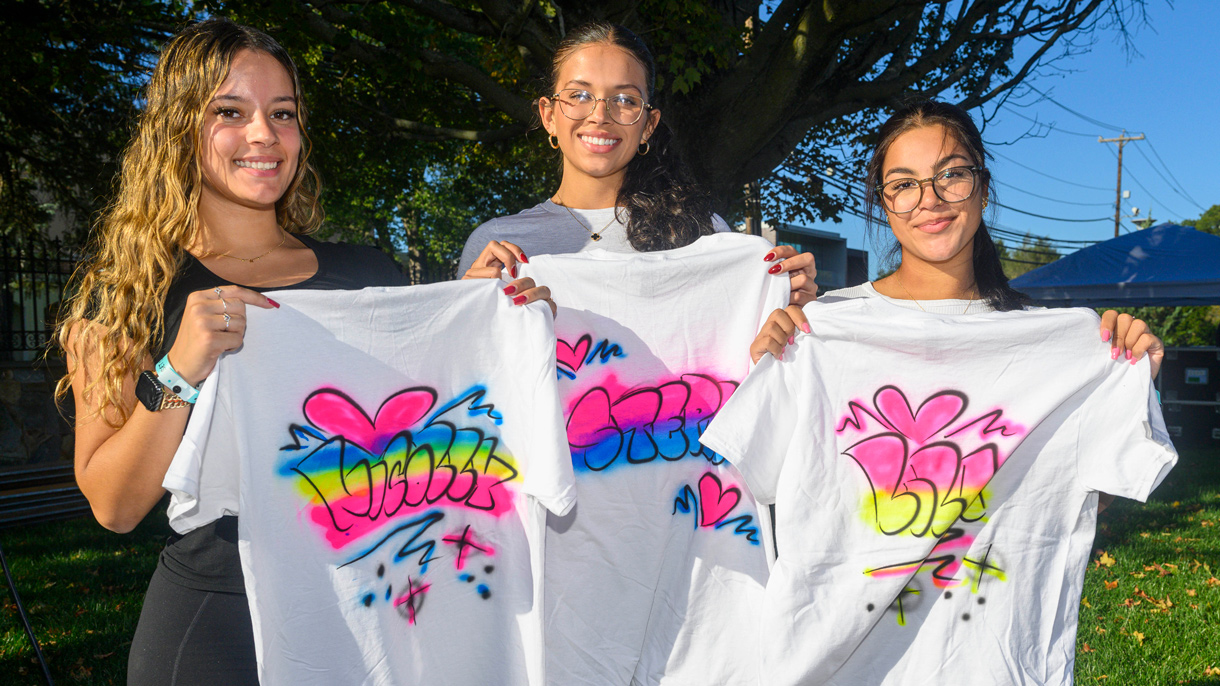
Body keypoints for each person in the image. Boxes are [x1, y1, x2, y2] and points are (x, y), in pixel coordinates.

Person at [54, 18, 546, 685]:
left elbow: (415, 412)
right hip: (215, 630)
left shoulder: (365, 270)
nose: (264, 135)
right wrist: (181, 367)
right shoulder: (129, 291)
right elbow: (115, 506)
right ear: (179, 130)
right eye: (230, 112)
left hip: (366, 619)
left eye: (281, 114)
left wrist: (465, 311)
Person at [750, 99, 1163, 372]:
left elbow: (1070, 499)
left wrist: (1128, 373)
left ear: (982, 189)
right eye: (903, 184)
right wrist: (761, 366)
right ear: (883, 206)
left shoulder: (1047, 340)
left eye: (951, 175)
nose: (929, 199)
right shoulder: (819, 328)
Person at [457, 22, 818, 305]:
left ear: (648, 125)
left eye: (625, 99)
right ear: (549, 115)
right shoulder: (494, 249)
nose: (600, 115)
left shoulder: (701, 231)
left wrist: (787, 306)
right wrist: (462, 312)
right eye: (579, 95)